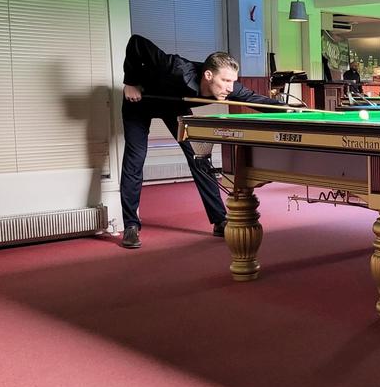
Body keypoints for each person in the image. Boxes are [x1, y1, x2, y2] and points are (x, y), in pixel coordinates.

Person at [119, 35, 282, 249]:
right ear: (208, 75)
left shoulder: (229, 88)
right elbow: (136, 43)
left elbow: (256, 99)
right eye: (225, 81)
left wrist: (290, 111)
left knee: (199, 157)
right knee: (135, 159)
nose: (230, 88)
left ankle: (219, 220)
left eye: (232, 81)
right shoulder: (176, 68)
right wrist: (130, 82)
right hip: (140, 101)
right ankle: (131, 226)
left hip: (173, 105)